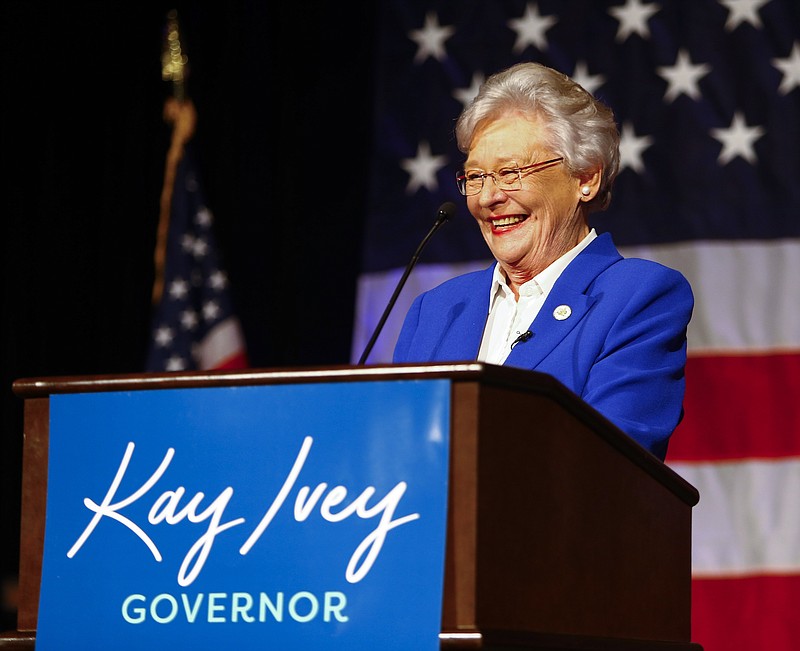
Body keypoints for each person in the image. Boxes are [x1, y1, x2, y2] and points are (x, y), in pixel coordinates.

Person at [393, 62, 693, 461]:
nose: (488, 198)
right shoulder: (436, 310)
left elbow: (611, 457)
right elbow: (392, 451)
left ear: (585, 178)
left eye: (511, 173)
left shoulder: (637, 296)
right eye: (476, 176)